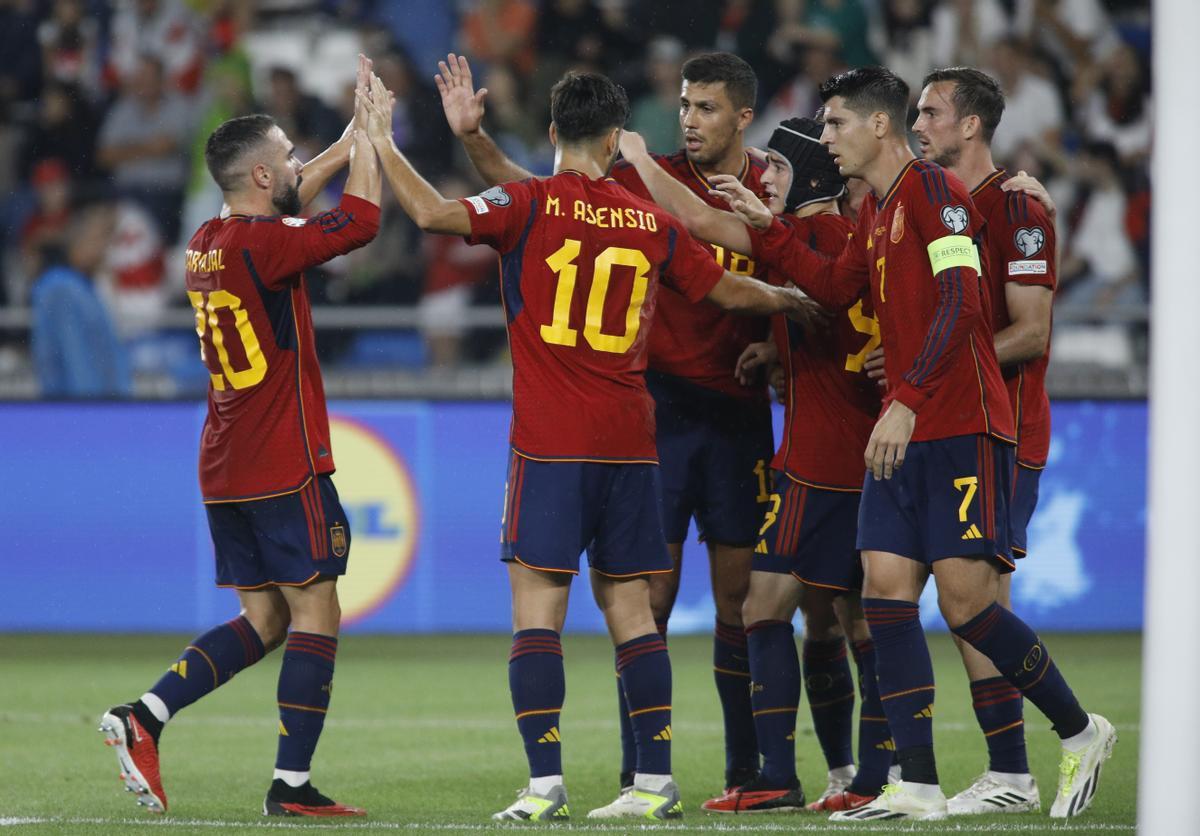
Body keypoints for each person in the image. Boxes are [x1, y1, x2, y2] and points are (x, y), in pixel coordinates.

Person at [356, 66, 814, 822]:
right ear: (614, 139)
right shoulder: (648, 219)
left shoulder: (529, 204)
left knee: (538, 611)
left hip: (551, 443)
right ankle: (654, 785)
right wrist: (794, 299)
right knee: (634, 611)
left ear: (550, 136)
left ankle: (544, 787)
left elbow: (436, 214)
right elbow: (730, 290)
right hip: (634, 442)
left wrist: (381, 141)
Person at [717, 66, 1115, 821]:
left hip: (960, 428)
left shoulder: (936, 195)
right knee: (884, 596)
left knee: (969, 610)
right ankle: (920, 785)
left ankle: (1081, 730)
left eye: (834, 124)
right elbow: (833, 287)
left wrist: (903, 397)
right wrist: (769, 230)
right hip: (906, 432)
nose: (824, 138)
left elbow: (966, 301)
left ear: (876, 126)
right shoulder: (878, 211)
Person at [98, 55, 381, 818]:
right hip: (282, 458)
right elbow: (362, 221)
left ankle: (144, 716)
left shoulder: (209, 238)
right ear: (261, 176)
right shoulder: (266, 245)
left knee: (267, 618)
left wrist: (351, 137)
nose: (296, 161)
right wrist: (378, 145)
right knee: (316, 610)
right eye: (287, 154)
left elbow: (290, 205)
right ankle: (291, 788)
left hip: (225, 460)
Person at [618, 117, 896, 814]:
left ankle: (814, 775)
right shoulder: (851, 238)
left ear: (805, 174)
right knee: (838, 620)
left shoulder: (806, 237)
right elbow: (837, 315)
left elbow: (693, 219)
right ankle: (856, 775)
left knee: (783, 611)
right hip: (849, 454)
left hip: (824, 460)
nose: (763, 176)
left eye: (775, 165)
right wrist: (779, 351)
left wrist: (634, 160)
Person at [911, 66, 1058, 815]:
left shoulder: (1019, 206)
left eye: (932, 112)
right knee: (966, 603)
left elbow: (1030, 332)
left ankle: (1027, 763)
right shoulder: (934, 207)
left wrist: (925, 363)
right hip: (953, 425)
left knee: (977, 603)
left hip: (1005, 430)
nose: (919, 124)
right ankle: (1013, 773)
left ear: (971, 125)